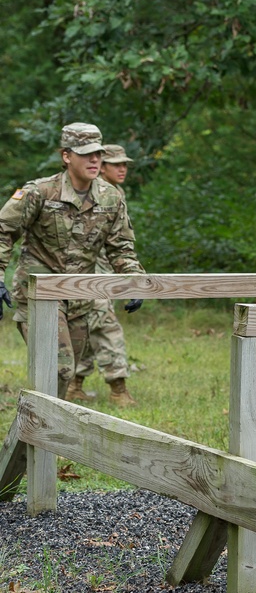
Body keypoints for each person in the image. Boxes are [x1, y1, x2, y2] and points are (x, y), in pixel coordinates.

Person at [0, 123, 145, 403]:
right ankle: (35, 431)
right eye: (86, 154)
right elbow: (3, 230)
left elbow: (121, 248)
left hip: (80, 299)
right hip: (39, 296)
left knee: (64, 375)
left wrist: (134, 280)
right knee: (59, 368)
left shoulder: (111, 198)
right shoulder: (40, 192)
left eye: (98, 154)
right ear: (67, 156)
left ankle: (35, 432)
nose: (94, 160)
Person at [67, 144, 141, 406]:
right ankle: (118, 388)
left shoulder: (115, 193)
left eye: (125, 164)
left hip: (106, 272)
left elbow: (120, 242)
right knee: (105, 324)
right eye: (116, 164)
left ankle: (74, 384)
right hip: (85, 273)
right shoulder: (87, 190)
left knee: (89, 325)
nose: (122, 168)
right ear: (102, 166)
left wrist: (131, 278)